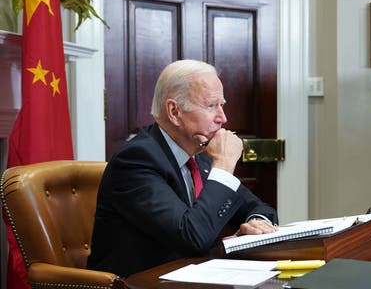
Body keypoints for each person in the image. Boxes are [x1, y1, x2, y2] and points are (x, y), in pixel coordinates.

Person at [87, 60, 278, 277]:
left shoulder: (200, 157)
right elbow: (192, 238)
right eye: (211, 105)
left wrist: (257, 223)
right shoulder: (136, 161)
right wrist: (224, 165)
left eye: (222, 105)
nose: (223, 118)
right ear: (174, 111)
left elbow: (261, 209)